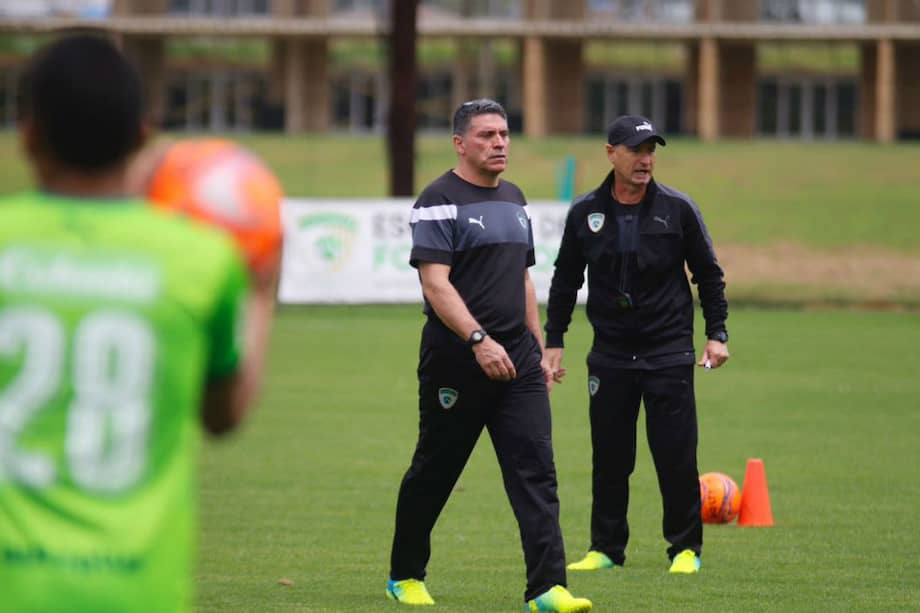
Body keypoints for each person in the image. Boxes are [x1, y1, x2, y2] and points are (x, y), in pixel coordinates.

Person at [0, 35, 276, 612]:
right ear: (143, 137)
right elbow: (224, 417)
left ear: (28, 134)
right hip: (135, 589)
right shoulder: (199, 260)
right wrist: (261, 287)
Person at [386, 99, 591, 613]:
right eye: (486, 135)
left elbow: (521, 278)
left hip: (517, 359)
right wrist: (479, 341)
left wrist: (538, 348)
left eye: (504, 133)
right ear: (460, 143)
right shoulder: (437, 199)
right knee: (435, 469)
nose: (500, 143)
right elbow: (435, 284)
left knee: (536, 470)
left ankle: (547, 588)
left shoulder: (516, 199)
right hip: (457, 360)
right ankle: (405, 575)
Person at [544, 115, 729, 575]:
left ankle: (685, 549)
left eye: (651, 151)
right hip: (609, 353)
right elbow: (565, 280)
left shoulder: (678, 209)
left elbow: (708, 274)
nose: (645, 160)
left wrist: (717, 333)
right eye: (636, 150)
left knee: (675, 454)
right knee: (610, 457)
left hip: (668, 351)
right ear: (611, 153)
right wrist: (554, 340)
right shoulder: (585, 212)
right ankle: (606, 549)